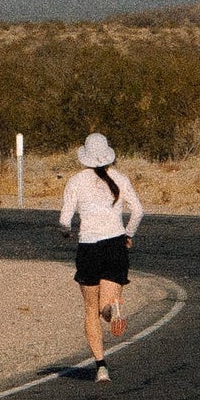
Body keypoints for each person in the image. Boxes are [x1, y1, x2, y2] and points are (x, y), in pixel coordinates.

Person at [55, 134, 144, 381]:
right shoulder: (120, 178)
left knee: (90, 310)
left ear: (85, 157)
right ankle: (112, 310)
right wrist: (128, 234)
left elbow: (65, 220)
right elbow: (138, 211)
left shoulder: (75, 181)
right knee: (106, 303)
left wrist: (66, 232)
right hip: (115, 244)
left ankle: (101, 367)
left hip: (89, 247)